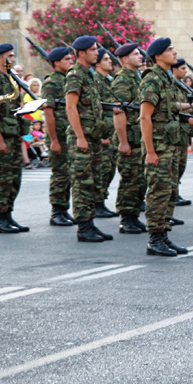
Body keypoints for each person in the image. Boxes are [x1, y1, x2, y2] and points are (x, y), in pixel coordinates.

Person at [139, 38, 193, 256]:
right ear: (158, 56)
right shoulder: (151, 80)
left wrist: (189, 114)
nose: (174, 52)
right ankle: (154, 239)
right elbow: (145, 117)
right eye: (169, 50)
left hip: (170, 144)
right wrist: (151, 152)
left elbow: (169, 109)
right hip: (159, 147)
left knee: (170, 190)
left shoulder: (166, 79)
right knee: (158, 192)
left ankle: (163, 235)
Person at [65, 36, 117, 243]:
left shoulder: (90, 75)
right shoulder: (75, 75)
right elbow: (71, 107)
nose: (97, 53)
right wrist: (80, 137)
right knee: (82, 183)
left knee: (94, 182)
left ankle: (91, 223)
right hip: (82, 139)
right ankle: (83, 228)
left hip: (93, 136)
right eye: (93, 50)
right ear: (81, 53)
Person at [0, 43, 30, 234]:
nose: (12, 60)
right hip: (3, 137)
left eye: (13, 56)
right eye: (9, 57)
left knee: (14, 179)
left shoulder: (11, 79)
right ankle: (0, 218)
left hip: (13, 135)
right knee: (3, 180)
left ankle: (8, 215)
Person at [111, 43, 147, 234]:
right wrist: (123, 141)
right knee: (130, 179)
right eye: (135, 54)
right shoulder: (122, 81)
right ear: (125, 59)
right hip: (130, 139)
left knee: (140, 179)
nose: (140, 56)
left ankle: (134, 216)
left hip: (139, 137)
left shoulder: (138, 77)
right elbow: (118, 112)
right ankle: (126, 218)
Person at [41, 47, 76, 226]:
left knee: (68, 173)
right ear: (56, 62)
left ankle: (63, 209)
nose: (71, 61)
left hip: (67, 134)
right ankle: (57, 211)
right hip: (58, 136)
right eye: (67, 59)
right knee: (60, 174)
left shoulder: (66, 79)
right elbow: (48, 112)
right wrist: (53, 140)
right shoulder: (51, 82)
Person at [93, 48, 118, 219]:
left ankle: (101, 200)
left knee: (109, 170)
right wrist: (102, 135)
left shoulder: (109, 81)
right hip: (103, 133)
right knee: (101, 170)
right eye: (106, 59)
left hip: (112, 131)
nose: (110, 61)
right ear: (98, 63)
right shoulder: (96, 81)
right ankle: (97, 203)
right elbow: (96, 110)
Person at [170, 59, 193, 207]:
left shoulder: (182, 87)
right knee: (172, 167)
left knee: (180, 165)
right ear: (175, 70)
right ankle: (172, 195)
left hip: (182, 131)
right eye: (182, 68)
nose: (185, 71)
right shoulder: (171, 85)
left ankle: (175, 192)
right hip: (173, 131)